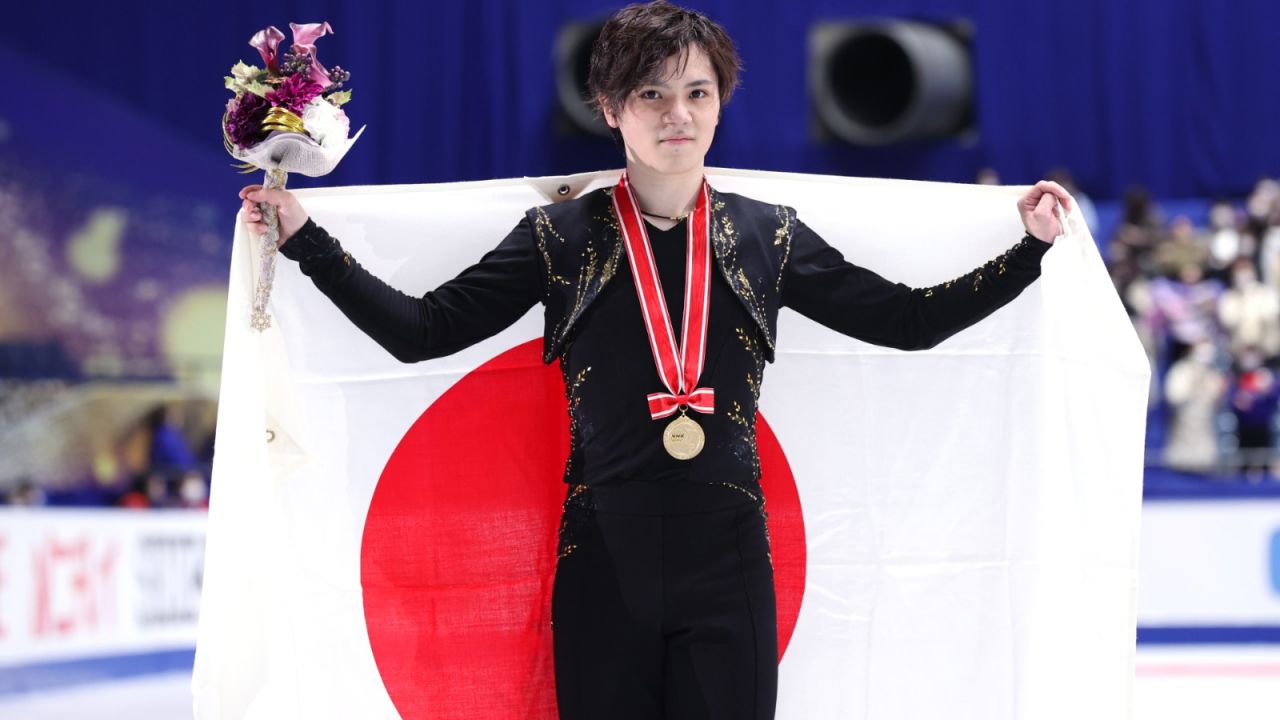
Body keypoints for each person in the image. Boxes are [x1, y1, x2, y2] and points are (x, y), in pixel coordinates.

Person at [237, 2, 1074, 717]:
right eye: (652, 93)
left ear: (720, 105)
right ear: (611, 107)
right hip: (603, 563)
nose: (678, 113)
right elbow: (422, 331)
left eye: (697, 93)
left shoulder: (766, 235)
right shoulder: (560, 237)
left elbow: (906, 321)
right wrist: (308, 242)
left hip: (730, 563)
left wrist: (1025, 251)